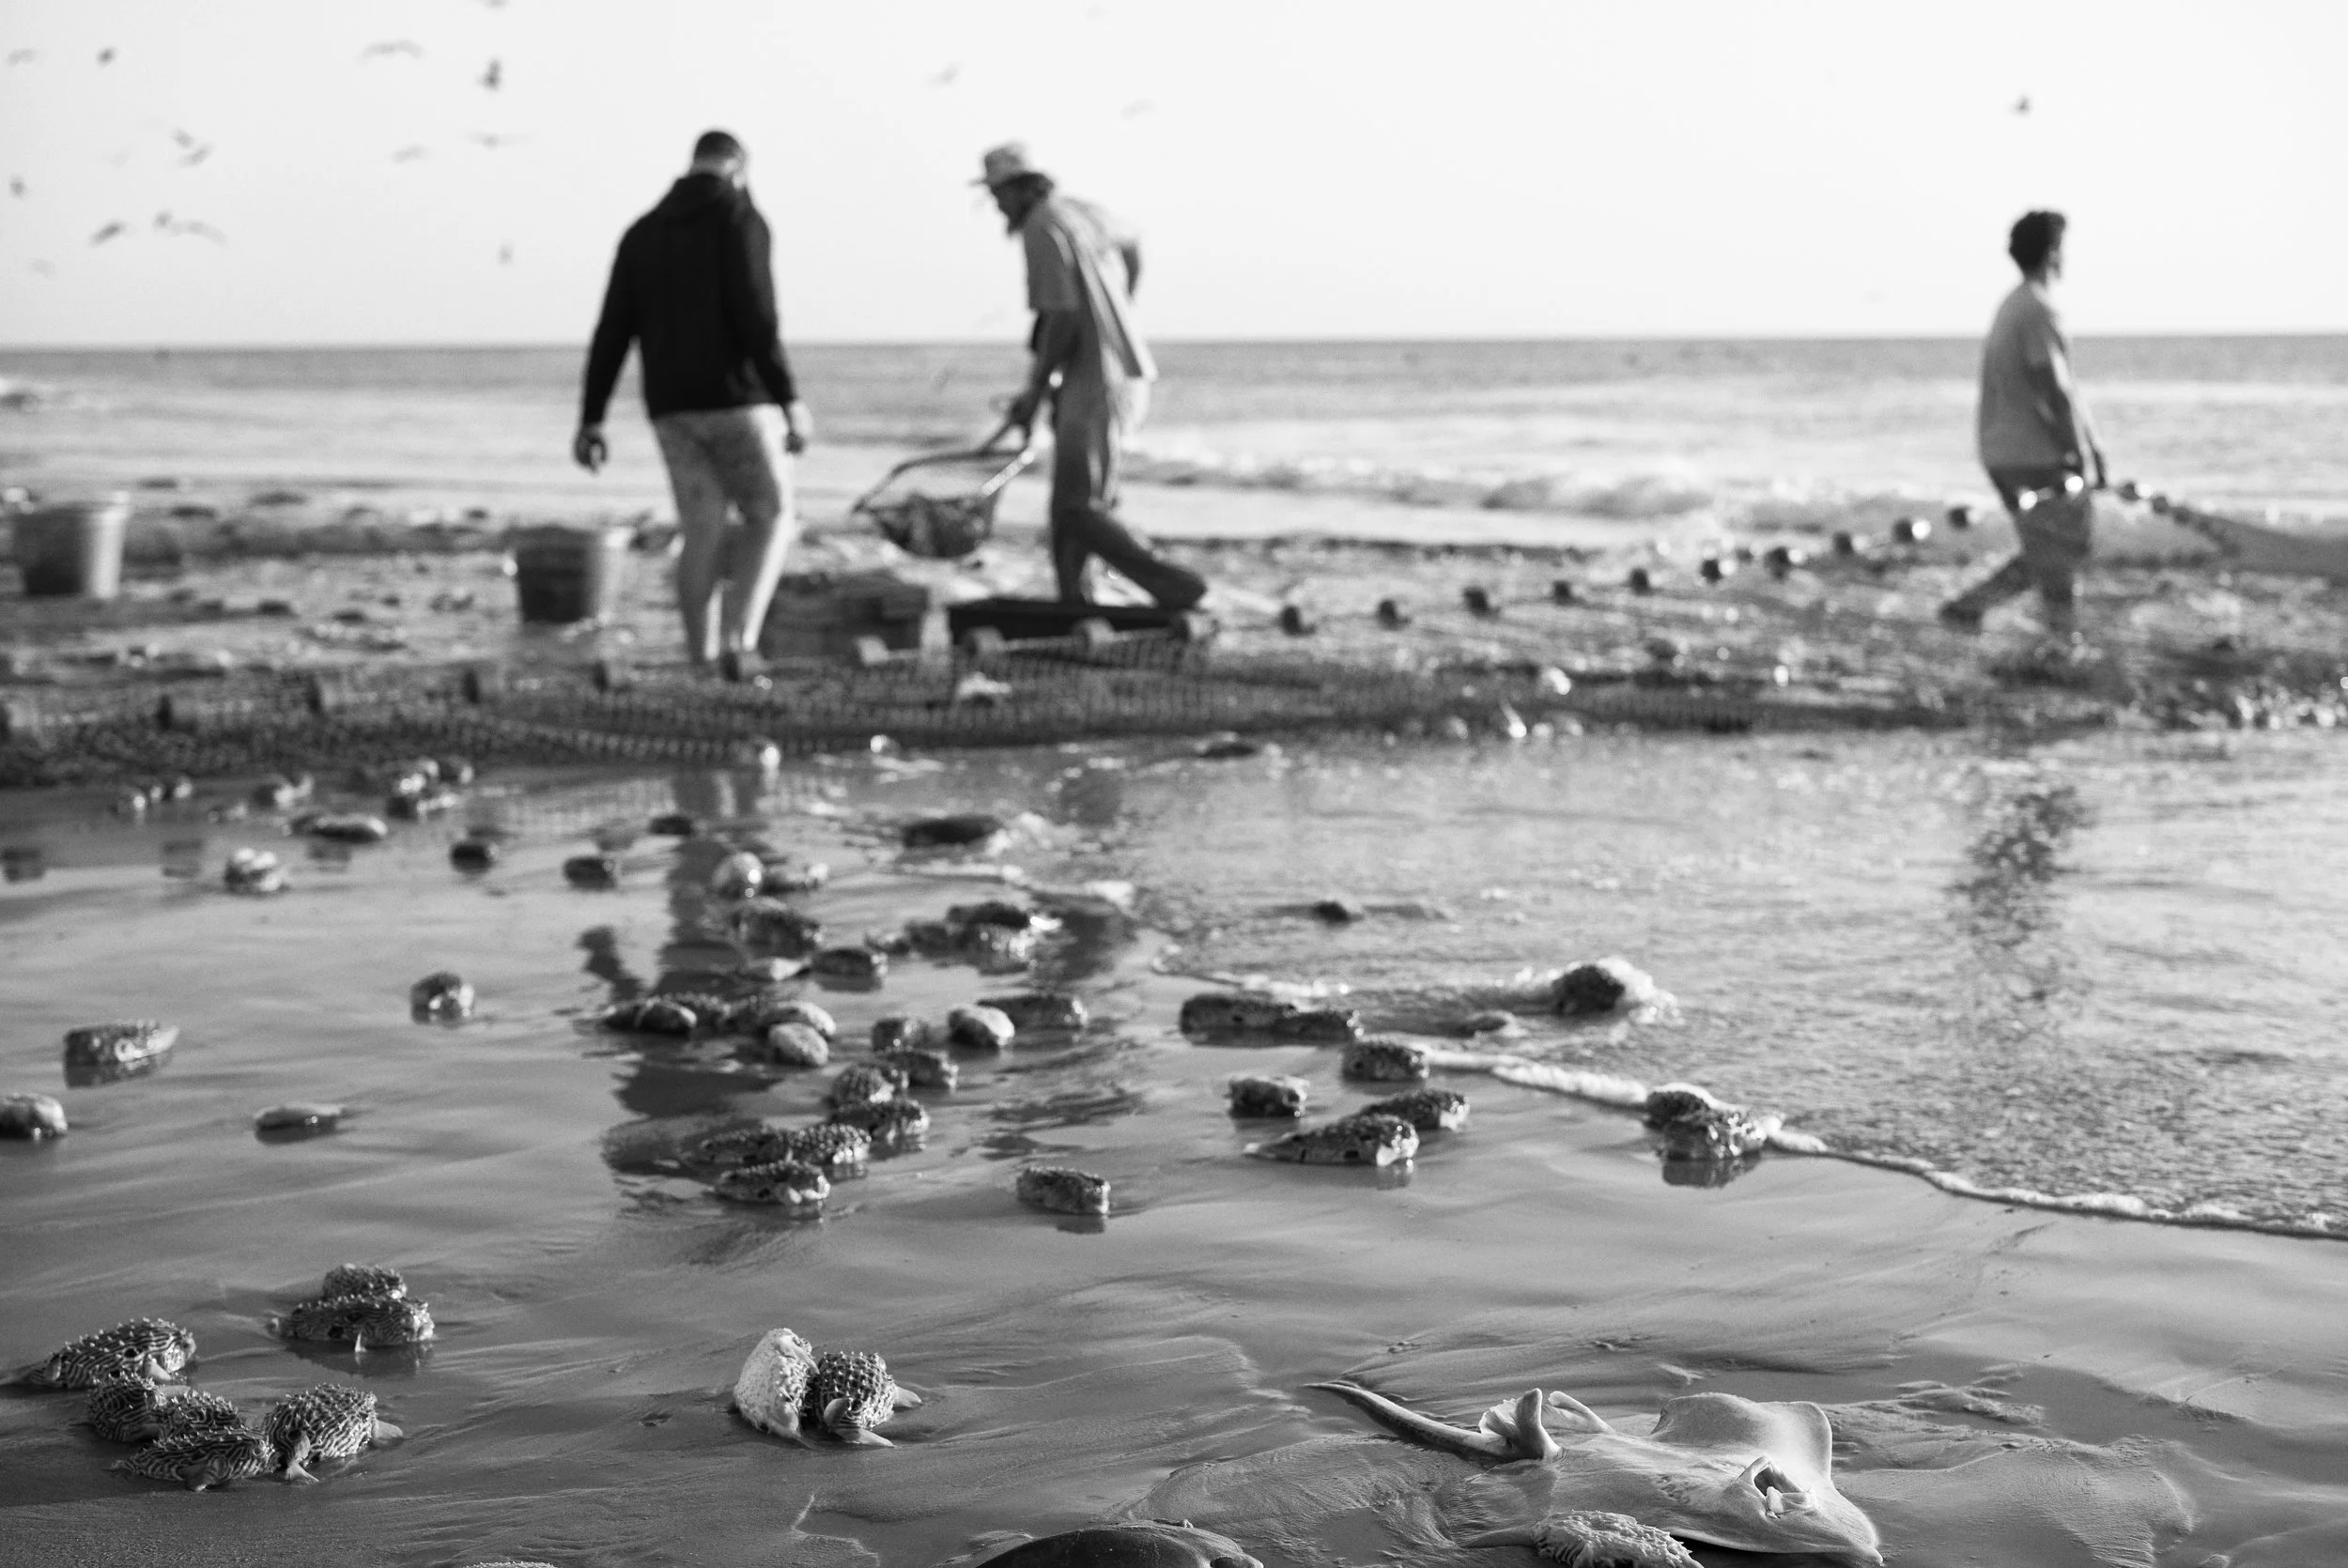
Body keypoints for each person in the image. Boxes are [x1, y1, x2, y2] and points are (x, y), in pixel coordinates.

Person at [574, 130, 811, 677]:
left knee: (700, 526)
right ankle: (738, 644)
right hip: (737, 402)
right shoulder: (739, 219)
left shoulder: (642, 232)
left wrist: (592, 417)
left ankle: (699, 657)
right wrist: (789, 398)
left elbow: (612, 332)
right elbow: (758, 316)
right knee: (770, 514)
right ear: (738, 169)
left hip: (671, 407)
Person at [978, 144, 1207, 610]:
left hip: (1096, 378)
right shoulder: (1083, 213)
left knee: (1077, 507)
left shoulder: (1041, 226)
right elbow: (1133, 244)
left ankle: (1171, 583)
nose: (996, 205)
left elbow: (1060, 316)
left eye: (998, 195)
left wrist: (1037, 389)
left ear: (1019, 189)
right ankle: (1074, 599)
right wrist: (1120, 305)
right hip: (1121, 371)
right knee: (1076, 500)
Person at [1939, 209, 2109, 637]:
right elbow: (2052, 386)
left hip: (2002, 450)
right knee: (2064, 549)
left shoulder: (2015, 304)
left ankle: (1981, 613)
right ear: (2052, 253)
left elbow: (2060, 385)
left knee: (2051, 549)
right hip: (2031, 452)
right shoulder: (2038, 308)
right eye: (2062, 249)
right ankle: (2057, 643)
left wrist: (2091, 444)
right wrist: (2080, 451)